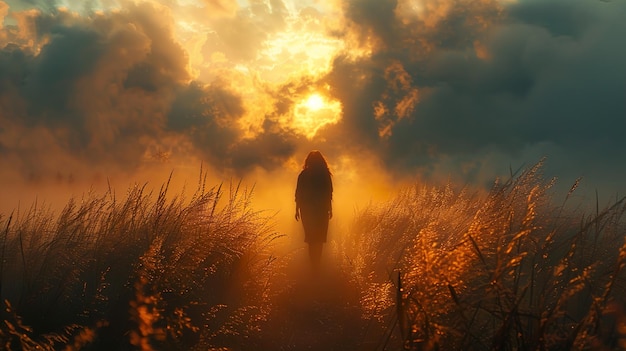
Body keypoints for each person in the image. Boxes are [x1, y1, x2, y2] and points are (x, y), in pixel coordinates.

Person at [295, 150, 333, 269]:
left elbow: (298, 193)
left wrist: (297, 209)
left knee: (311, 238)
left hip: (307, 210)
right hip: (321, 210)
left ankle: (313, 265)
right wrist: (330, 208)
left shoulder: (303, 174)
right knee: (319, 239)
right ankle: (317, 264)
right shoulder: (325, 174)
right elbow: (329, 193)